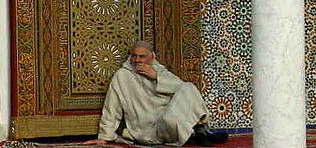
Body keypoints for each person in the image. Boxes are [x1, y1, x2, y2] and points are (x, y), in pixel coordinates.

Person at [84, 41, 228, 147]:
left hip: (168, 122)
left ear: (151, 57)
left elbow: (182, 88)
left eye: (142, 56)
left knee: (188, 86)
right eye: (134, 56)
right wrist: (105, 136)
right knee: (172, 117)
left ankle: (202, 130)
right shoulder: (122, 76)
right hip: (148, 131)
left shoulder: (158, 69)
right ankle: (197, 133)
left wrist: (156, 77)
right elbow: (112, 107)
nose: (137, 60)